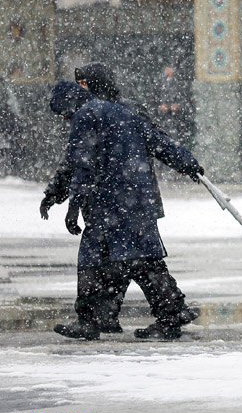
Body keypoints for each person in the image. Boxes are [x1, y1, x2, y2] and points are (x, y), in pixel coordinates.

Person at [48, 81, 204, 340]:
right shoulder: (121, 112)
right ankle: (165, 313)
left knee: (94, 260)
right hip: (136, 199)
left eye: (64, 113)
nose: (65, 119)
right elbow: (157, 141)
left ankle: (93, 320)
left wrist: (73, 205)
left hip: (110, 203)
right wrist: (187, 163)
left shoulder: (85, 116)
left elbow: (81, 163)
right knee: (139, 260)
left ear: (70, 103)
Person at [40, 63, 162, 333]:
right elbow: (75, 160)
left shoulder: (121, 111)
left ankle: (100, 318)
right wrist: (55, 192)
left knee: (126, 260)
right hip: (105, 201)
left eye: (84, 83)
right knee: (115, 263)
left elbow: (154, 142)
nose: (80, 89)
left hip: (127, 200)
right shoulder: (88, 113)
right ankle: (102, 317)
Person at [156, 65, 190, 144]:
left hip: (178, 120)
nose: (167, 71)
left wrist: (179, 106)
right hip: (164, 119)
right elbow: (155, 99)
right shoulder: (160, 83)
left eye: (169, 69)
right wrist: (161, 106)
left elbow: (186, 99)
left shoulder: (180, 83)